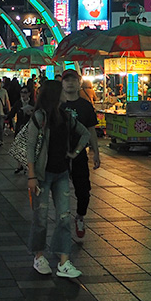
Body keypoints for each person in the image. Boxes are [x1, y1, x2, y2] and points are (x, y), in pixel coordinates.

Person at [25, 81, 91, 278]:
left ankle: (64, 261)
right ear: (54, 94)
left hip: (61, 172)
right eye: (61, 90)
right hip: (42, 175)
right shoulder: (40, 117)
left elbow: (85, 133)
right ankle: (38, 256)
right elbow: (29, 148)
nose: (65, 93)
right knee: (41, 218)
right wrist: (31, 176)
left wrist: (75, 153)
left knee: (64, 217)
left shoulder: (66, 116)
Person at [60, 70, 101, 239]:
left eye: (73, 80)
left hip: (79, 154)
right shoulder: (57, 106)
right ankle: (61, 222)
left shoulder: (85, 106)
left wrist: (96, 153)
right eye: (66, 80)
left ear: (79, 83)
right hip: (59, 155)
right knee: (60, 191)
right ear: (62, 83)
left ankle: (80, 216)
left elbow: (91, 130)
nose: (70, 83)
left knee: (83, 191)